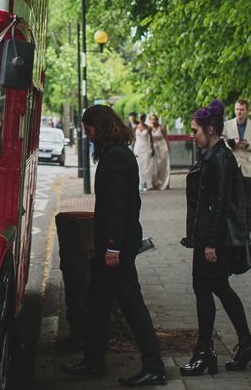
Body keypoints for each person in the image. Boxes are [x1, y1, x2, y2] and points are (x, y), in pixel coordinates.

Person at [60, 105, 166, 387]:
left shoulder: (117, 157)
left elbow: (120, 206)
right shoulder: (114, 153)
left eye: (89, 129)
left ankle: (155, 367)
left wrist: (114, 247)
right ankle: (93, 363)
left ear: (102, 126)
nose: (87, 135)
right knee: (97, 305)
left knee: (133, 307)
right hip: (109, 248)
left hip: (116, 249)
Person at [180, 99, 251, 375]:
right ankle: (242, 344)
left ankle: (205, 351)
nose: (192, 135)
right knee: (218, 287)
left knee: (204, 288)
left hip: (214, 240)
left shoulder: (220, 158)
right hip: (210, 237)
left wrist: (211, 242)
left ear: (210, 129)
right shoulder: (213, 155)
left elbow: (221, 203)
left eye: (194, 130)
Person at [224, 99, 251, 229]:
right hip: (232, 166)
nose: (239, 112)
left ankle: (247, 227)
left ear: (247, 111)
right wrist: (231, 143)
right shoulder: (227, 125)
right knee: (233, 198)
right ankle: (235, 226)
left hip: (248, 167)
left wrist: (248, 145)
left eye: (242, 109)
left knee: (248, 200)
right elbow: (220, 141)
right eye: (237, 109)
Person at [134, 113, 155, 190]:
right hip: (138, 147)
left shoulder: (148, 128)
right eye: (140, 117)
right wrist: (133, 149)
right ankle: (141, 183)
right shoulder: (136, 127)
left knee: (146, 166)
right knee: (139, 166)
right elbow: (134, 139)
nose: (142, 119)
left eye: (143, 118)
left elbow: (151, 139)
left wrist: (152, 148)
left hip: (146, 148)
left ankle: (147, 183)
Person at [149, 114, 170, 190]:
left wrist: (168, 147)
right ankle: (156, 183)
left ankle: (165, 183)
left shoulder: (162, 127)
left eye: (154, 119)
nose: (153, 121)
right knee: (156, 166)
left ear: (157, 120)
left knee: (163, 165)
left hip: (162, 146)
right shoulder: (149, 128)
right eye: (151, 119)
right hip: (154, 148)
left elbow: (166, 137)